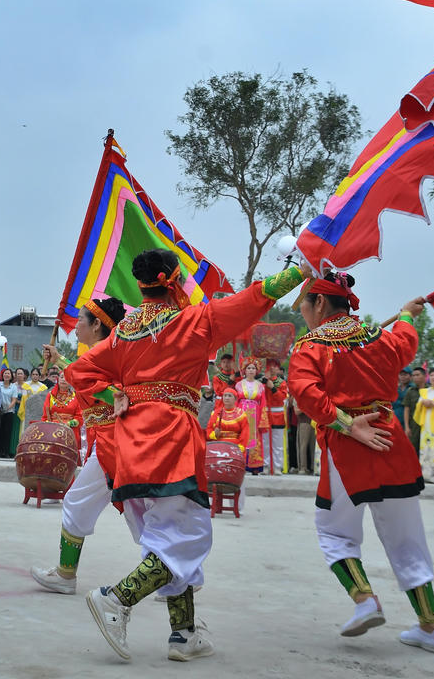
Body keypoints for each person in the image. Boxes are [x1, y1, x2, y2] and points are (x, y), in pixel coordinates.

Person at [67, 249, 306, 662]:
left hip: (130, 442)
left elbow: (79, 371)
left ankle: (184, 635)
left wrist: (115, 394)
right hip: (170, 438)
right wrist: (298, 270)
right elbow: (256, 297)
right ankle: (115, 599)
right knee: (188, 535)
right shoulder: (194, 321)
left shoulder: (124, 333)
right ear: (172, 280)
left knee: (165, 536)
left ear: (141, 285)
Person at [288, 271, 434, 655]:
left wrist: (347, 424)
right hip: (392, 442)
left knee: (333, 531)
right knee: (408, 538)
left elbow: (306, 393)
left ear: (320, 303)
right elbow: (406, 343)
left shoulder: (311, 346)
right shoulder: (379, 336)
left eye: (305, 306)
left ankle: (364, 600)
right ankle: (431, 626)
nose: (305, 315)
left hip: (349, 448)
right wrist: (408, 314)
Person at [29, 296, 128, 596]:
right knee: (142, 513)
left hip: (112, 442)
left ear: (97, 324)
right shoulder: (109, 351)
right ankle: (176, 577)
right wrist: (60, 360)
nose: (76, 325)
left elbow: (87, 378)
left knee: (80, 504)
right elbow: (84, 375)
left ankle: (65, 575)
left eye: (81, 320)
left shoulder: (105, 354)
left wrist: (60, 361)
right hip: (111, 440)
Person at [234, 359, 267, 474]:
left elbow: (263, 403)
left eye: (253, 368)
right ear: (244, 370)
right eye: (249, 368)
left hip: (255, 413)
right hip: (241, 411)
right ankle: (240, 463)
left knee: (254, 437)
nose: (251, 370)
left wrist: (263, 420)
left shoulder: (261, 386)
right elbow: (235, 401)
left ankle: (254, 466)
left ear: (256, 371)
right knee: (242, 435)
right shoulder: (238, 385)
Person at [43, 374, 82, 452]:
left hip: (70, 429)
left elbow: (79, 417)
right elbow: (45, 416)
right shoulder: (50, 396)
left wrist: (69, 424)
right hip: (52, 428)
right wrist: (51, 425)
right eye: (61, 377)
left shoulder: (76, 396)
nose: (64, 379)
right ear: (58, 380)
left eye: (66, 378)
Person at [263, 360, 288, 475]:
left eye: (274, 366)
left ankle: (278, 466)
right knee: (265, 442)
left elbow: (281, 398)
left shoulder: (282, 383)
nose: (272, 368)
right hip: (265, 414)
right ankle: (266, 465)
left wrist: (272, 387)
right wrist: (264, 381)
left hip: (277, 414)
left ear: (278, 369)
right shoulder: (261, 381)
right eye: (269, 366)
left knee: (277, 442)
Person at [0, 367, 20, 458]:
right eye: (5, 373)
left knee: (7, 432)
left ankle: (5, 452)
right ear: (2, 375)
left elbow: (14, 400)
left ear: (11, 376)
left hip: (9, 412)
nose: (6, 375)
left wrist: (6, 409)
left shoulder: (13, 387)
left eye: (8, 374)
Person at [401, 367, 426, 451]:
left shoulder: (430, 390)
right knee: (412, 450)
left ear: (424, 376)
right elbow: (406, 409)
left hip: (427, 425)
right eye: (413, 375)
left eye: (417, 375)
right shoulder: (410, 391)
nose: (415, 377)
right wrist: (407, 427)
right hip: (413, 425)